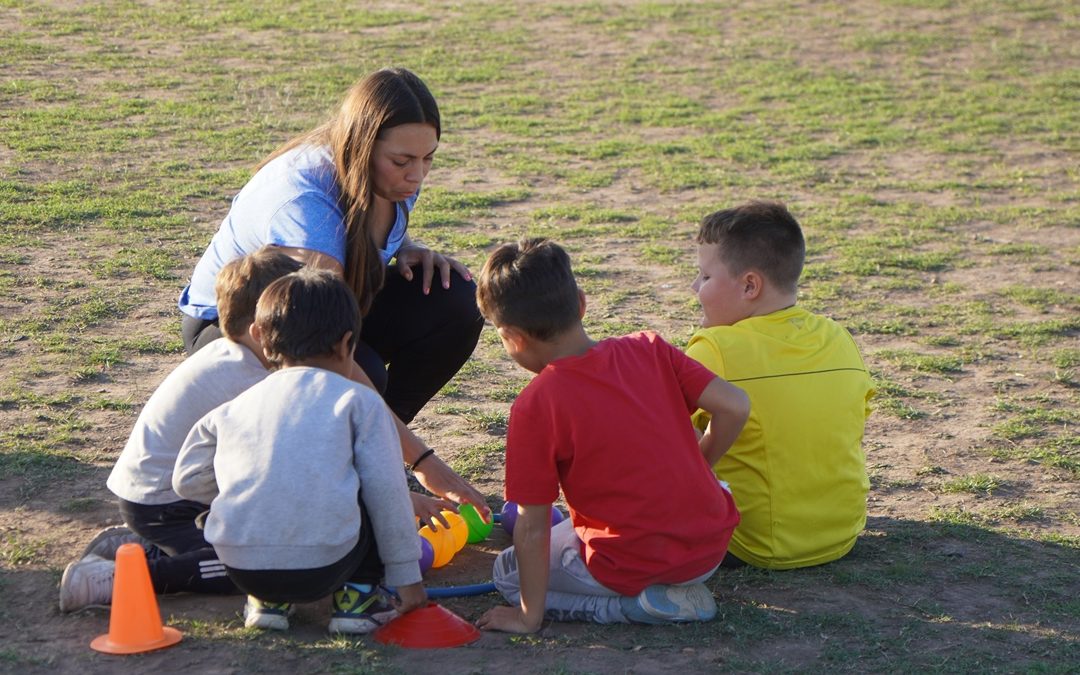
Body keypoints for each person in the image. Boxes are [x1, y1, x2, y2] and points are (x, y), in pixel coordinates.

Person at [175, 67, 487, 517]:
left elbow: (360, 243)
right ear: (361, 147)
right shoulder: (306, 206)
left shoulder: (389, 179)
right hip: (232, 332)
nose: (417, 175)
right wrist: (424, 462)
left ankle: (361, 451)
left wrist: (405, 248)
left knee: (453, 299)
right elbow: (322, 347)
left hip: (325, 300)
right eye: (403, 161)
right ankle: (349, 464)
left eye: (428, 159)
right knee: (362, 372)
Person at [473, 239, 750, 633]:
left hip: (634, 562)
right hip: (709, 551)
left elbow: (532, 526)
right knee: (571, 530)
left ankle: (633, 607)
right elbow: (736, 405)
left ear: (513, 338)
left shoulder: (536, 404)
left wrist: (527, 616)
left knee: (507, 571)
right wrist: (702, 464)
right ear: (581, 304)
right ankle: (669, 587)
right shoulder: (649, 348)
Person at [173, 269, 427, 633]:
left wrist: (248, 491)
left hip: (242, 569)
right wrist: (408, 580)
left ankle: (268, 603)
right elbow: (388, 493)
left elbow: (186, 481)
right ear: (346, 344)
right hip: (327, 566)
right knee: (368, 490)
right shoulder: (359, 402)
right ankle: (356, 603)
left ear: (259, 336)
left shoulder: (233, 407)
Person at [59, 248, 302, 613]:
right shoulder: (247, 380)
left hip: (155, 497)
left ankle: (137, 548)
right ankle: (116, 579)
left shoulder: (230, 353)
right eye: (297, 320)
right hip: (163, 503)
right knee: (254, 563)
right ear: (263, 326)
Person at [686, 200, 875, 570]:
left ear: (750, 285)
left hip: (751, 544)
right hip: (841, 534)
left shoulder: (715, 348)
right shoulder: (839, 337)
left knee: (657, 423)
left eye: (705, 277)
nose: (695, 287)